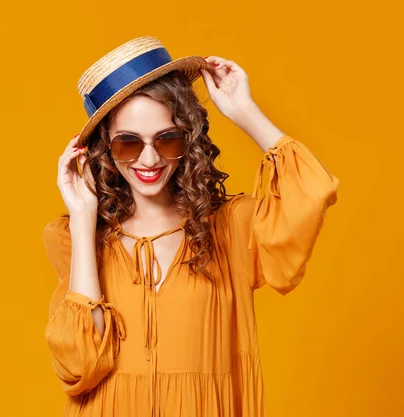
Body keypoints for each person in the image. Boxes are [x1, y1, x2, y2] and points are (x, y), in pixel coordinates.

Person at [42, 36, 339, 417]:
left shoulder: (230, 228)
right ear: (104, 150)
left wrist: (245, 111)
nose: (148, 158)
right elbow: (80, 366)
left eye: (167, 139)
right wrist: (84, 219)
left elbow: (313, 191)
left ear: (189, 137)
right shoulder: (73, 239)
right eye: (128, 143)